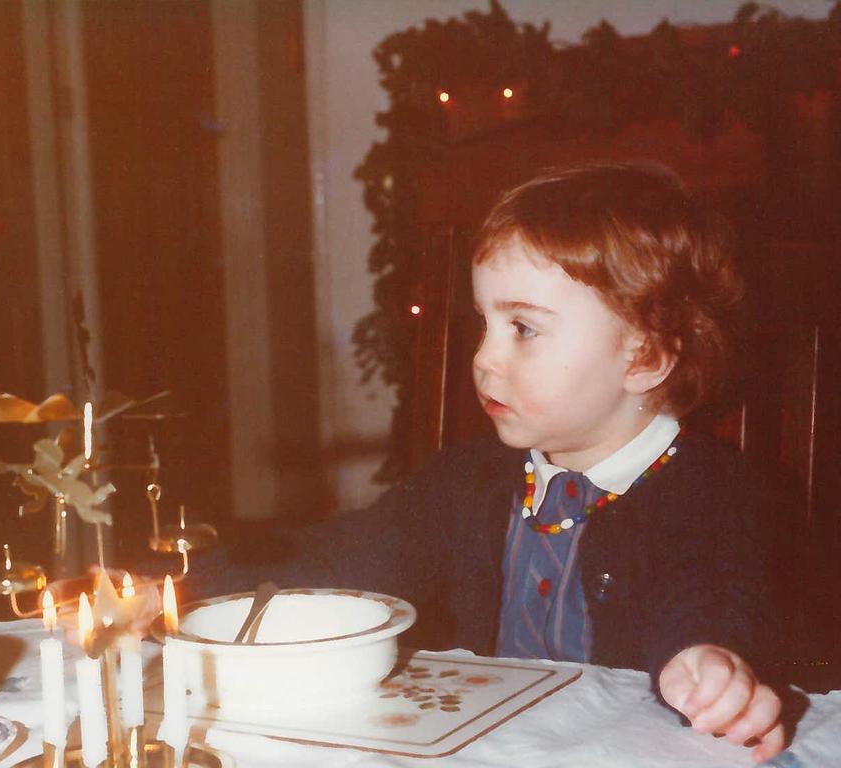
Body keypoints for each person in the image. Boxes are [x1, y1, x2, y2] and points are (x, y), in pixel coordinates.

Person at [194, 161, 783, 762]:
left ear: (646, 359)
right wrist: (195, 578)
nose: (484, 359)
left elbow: (713, 593)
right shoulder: (471, 479)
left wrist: (707, 659)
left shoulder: (714, 492)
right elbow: (352, 555)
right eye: (485, 323)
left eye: (523, 328)